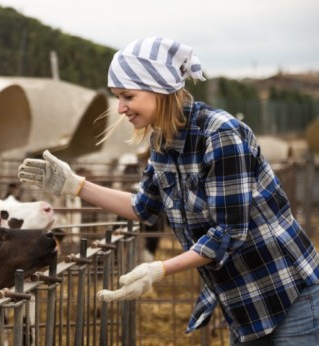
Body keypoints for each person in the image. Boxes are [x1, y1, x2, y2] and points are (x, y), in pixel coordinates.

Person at [17, 37, 319, 345]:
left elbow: (229, 232)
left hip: (286, 292)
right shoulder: (161, 143)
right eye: (117, 97)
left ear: (159, 90)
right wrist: (76, 185)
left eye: (127, 96)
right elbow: (143, 207)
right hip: (242, 302)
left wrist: (159, 269)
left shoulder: (220, 134)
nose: (120, 108)